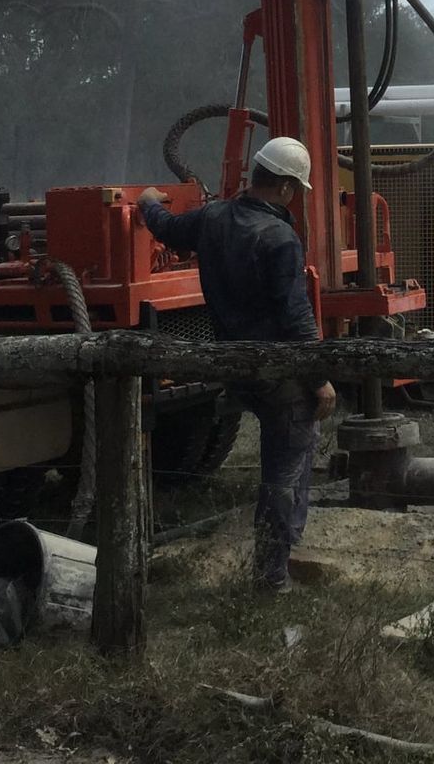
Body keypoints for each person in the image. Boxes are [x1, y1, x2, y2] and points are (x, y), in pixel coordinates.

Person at [138, 137, 337, 591]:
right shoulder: (280, 238)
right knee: (284, 472)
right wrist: (320, 379)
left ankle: (286, 551)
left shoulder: (213, 218)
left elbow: (167, 228)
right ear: (286, 187)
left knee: (296, 453)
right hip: (279, 374)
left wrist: (148, 203)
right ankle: (272, 577)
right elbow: (296, 316)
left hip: (234, 366)